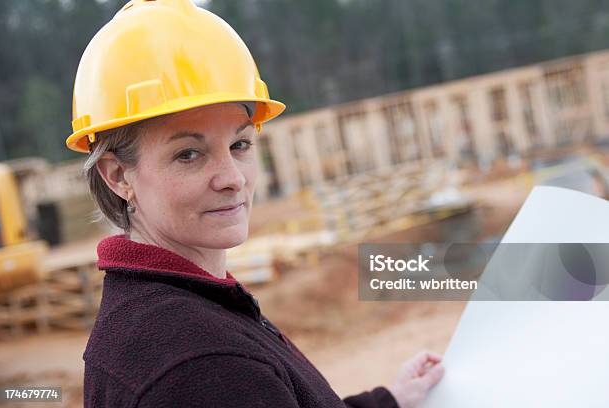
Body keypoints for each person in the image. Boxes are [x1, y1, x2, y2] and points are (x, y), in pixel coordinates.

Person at [67, 1, 445, 407]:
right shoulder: (199, 364)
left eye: (240, 144)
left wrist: (388, 400)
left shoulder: (174, 314)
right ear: (119, 176)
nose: (232, 178)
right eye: (188, 154)